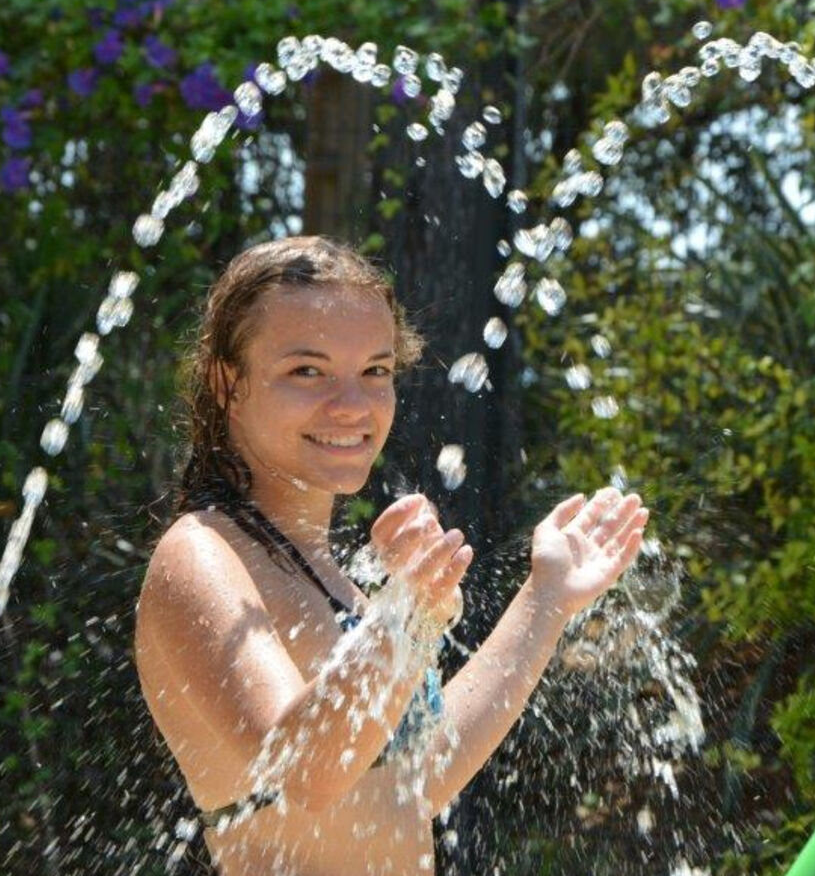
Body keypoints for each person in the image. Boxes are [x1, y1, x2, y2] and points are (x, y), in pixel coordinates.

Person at [134, 236, 648, 875]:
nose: (353, 405)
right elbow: (303, 772)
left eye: (375, 371)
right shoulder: (203, 554)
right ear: (227, 383)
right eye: (308, 370)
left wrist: (545, 600)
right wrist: (405, 614)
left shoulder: (322, 573)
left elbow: (415, 783)